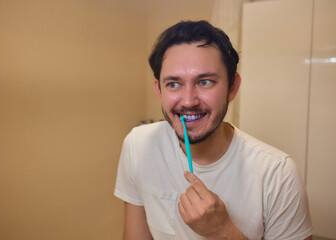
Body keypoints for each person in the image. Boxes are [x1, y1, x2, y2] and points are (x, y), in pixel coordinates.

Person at [114, 20, 312, 240]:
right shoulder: (138, 145)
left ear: (232, 87)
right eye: (173, 84)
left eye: (205, 82)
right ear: (159, 90)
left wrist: (223, 232)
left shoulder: (278, 174)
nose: (188, 101)